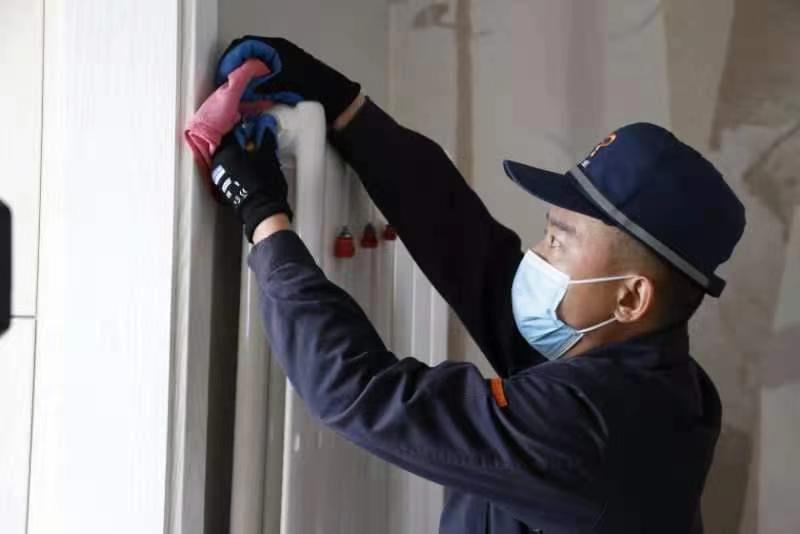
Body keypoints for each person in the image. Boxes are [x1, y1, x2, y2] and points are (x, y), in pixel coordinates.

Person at [209, 36, 746, 533]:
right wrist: (344, 106)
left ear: (630, 297)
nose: (537, 255)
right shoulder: (644, 371)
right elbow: (469, 249)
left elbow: (364, 393)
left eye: (560, 241)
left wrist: (265, 221)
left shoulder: (592, 430)